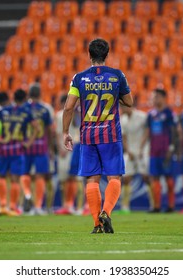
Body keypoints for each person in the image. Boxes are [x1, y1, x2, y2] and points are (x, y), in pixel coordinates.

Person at [63, 38, 133, 234]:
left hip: (88, 136)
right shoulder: (117, 75)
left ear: (89, 55)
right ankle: (107, 212)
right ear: (107, 55)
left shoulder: (79, 78)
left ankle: (96, 224)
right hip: (110, 135)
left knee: (92, 180)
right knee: (114, 177)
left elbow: (69, 107)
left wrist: (65, 133)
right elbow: (129, 101)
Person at [0, 89, 38, 216]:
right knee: (15, 179)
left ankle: (2, 206)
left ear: (13, 98)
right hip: (18, 149)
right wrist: (29, 142)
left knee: (1, 176)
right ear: (25, 99)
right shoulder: (26, 112)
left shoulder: (3, 111)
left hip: (4, 149)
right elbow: (37, 127)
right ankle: (13, 207)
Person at [21, 83, 55, 215]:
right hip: (41, 146)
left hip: (25, 146)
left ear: (29, 94)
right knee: (40, 175)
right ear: (40, 94)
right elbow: (49, 131)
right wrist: (51, 148)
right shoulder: (45, 109)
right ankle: (37, 206)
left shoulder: (23, 108)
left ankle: (28, 195)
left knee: (24, 174)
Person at [141, 89, 177, 213]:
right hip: (154, 151)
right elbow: (147, 132)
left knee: (168, 178)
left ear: (163, 98)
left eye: (157, 97)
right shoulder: (151, 114)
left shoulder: (169, 113)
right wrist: (142, 147)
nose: (155, 100)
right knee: (154, 178)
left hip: (165, 150)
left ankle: (171, 205)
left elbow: (174, 131)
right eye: (154, 97)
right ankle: (156, 206)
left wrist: (171, 148)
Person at [55, 95, 83, 215]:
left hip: (73, 148)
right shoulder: (60, 115)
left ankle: (75, 206)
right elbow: (57, 134)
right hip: (68, 150)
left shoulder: (76, 112)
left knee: (74, 179)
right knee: (68, 179)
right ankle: (69, 205)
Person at [120, 104, 150, 214]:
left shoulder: (142, 116)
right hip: (130, 151)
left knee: (146, 177)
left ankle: (154, 204)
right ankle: (125, 206)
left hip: (143, 150)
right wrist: (128, 151)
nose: (122, 109)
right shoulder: (122, 119)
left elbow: (147, 132)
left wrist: (142, 148)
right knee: (126, 178)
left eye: (123, 107)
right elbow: (123, 137)